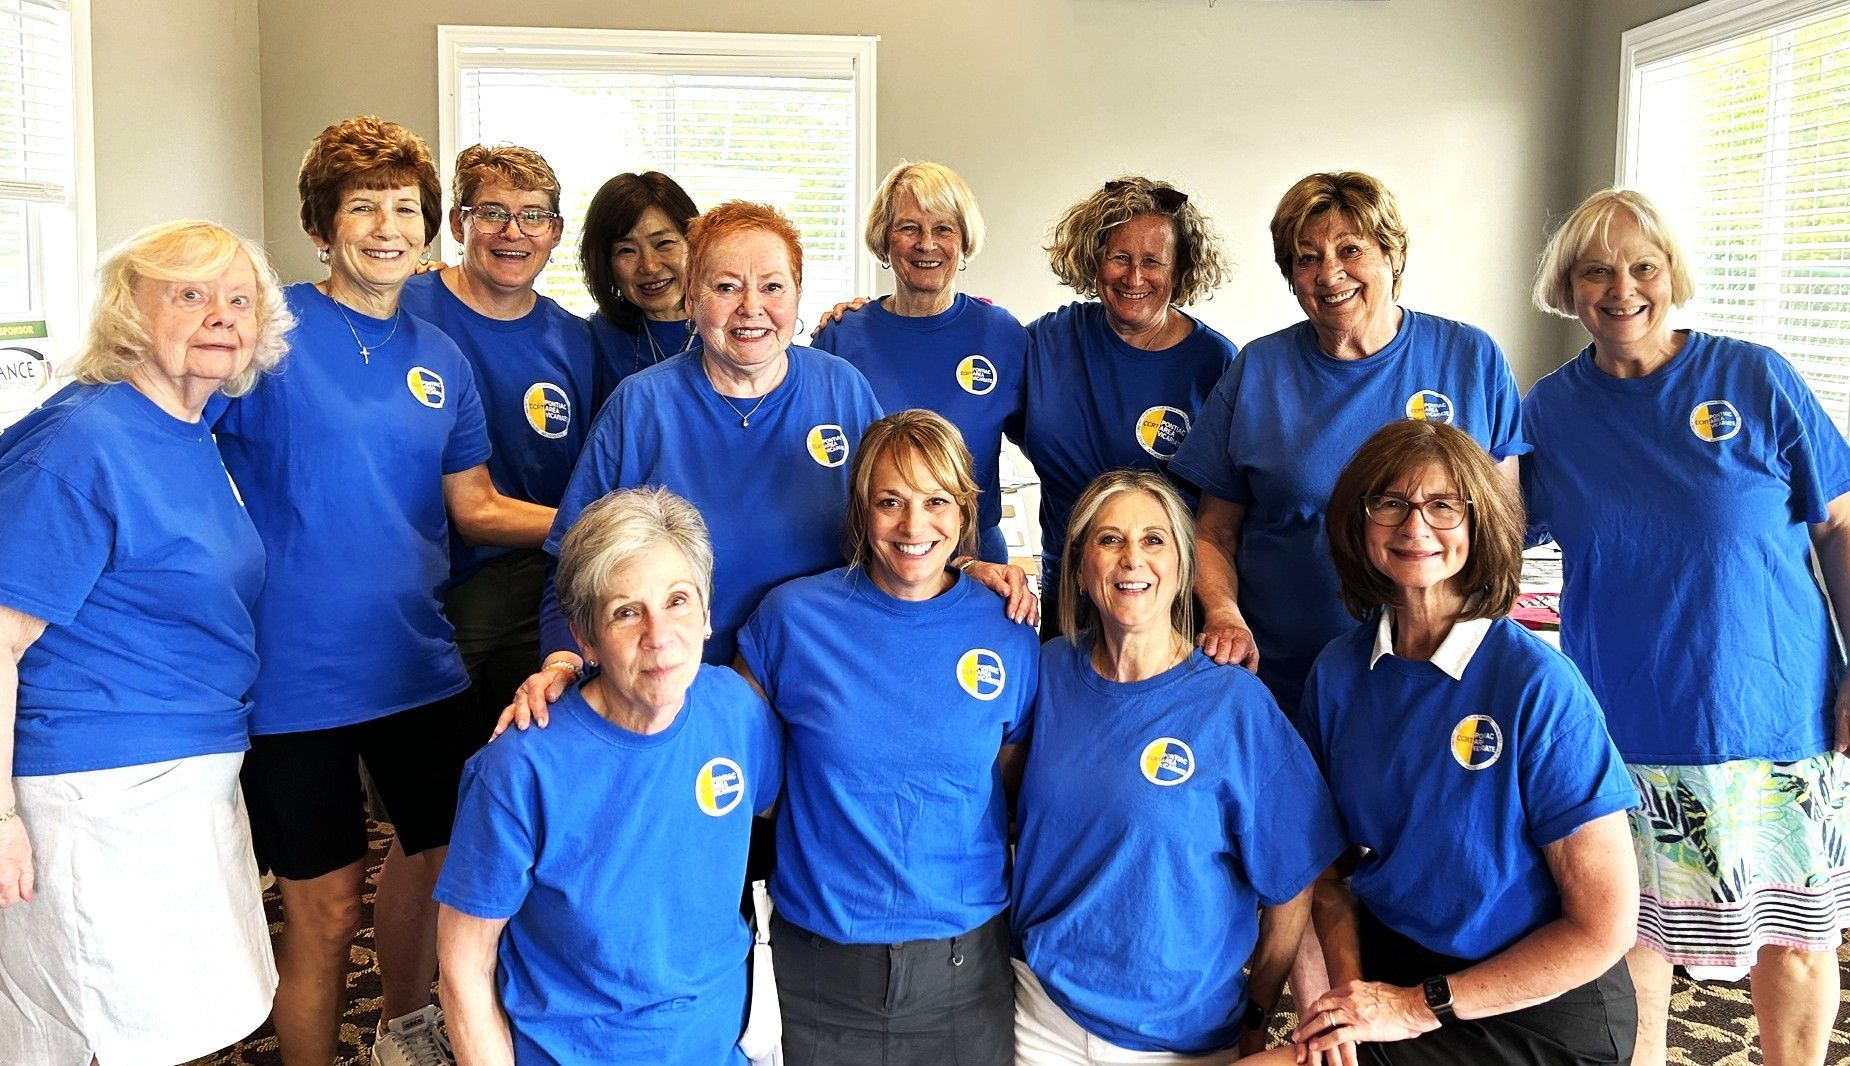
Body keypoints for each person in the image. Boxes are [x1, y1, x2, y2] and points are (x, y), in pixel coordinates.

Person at [214, 115, 556, 1066]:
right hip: (295, 683)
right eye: (363, 207)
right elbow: (174, 432)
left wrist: (597, 527)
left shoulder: (442, 361)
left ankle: (406, 1035)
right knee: (323, 915)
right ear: (323, 227)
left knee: (459, 881)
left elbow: (477, 507)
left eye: (405, 207)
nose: (387, 227)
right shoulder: (265, 334)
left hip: (418, 667)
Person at [1524, 188, 1850, 1066]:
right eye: (1596, 270)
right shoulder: (1549, 413)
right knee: (1631, 939)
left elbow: (1842, 526)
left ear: (1672, 275)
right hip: (1625, 723)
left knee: (1797, 937)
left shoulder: (1756, 377)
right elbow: (1490, 532)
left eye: (1643, 266)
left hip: (1777, 715)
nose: (1621, 288)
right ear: (1569, 288)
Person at [513, 200, 1032, 721]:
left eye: (772, 286)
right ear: (691, 298)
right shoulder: (640, 406)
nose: (751, 307)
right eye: (727, 287)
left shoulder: (841, 388)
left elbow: (903, 519)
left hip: (827, 688)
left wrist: (964, 567)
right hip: (675, 698)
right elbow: (571, 567)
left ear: (798, 294)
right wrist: (561, 662)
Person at [0, 220, 290, 1066]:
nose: (221, 317)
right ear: (131, 312)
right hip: (95, 792)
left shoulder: (188, 426)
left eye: (239, 300)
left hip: (182, 779)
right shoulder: (81, 441)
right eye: (189, 295)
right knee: (98, 1041)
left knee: (175, 1031)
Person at [1281, 419, 1639, 1066]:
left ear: (1480, 524)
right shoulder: (1336, 672)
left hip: (1531, 1000)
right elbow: (1324, 874)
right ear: (1359, 524)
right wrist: (1338, 1011)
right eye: (1389, 502)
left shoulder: (1537, 685)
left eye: (1444, 505)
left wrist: (1412, 1008)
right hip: (1393, 966)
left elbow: (1605, 925)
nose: (1414, 526)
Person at [735, 409, 1040, 1065]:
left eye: (936, 502)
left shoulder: (1007, 629)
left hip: (966, 968)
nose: (913, 526)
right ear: (859, 511)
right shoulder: (791, 621)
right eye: (890, 502)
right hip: (820, 968)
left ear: (964, 512)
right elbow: (740, 778)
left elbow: (1008, 785)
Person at [436, 487, 781, 1065]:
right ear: (584, 636)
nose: (658, 636)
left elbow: (792, 813)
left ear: (706, 614)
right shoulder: (519, 768)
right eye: (626, 612)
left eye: (677, 601)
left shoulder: (736, 711)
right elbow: (464, 968)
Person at [1011, 470, 1346, 1064]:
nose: (1131, 558)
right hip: (1040, 1014)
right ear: (1082, 570)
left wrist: (1258, 1014)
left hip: (1182, 1041)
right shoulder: (1047, 673)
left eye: (1154, 539)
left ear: (1184, 568)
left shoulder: (1232, 703)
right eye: (1109, 540)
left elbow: (1293, 886)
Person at [1171, 171, 1526, 717]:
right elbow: (1214, 531)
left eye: (1351, 249)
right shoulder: (1258, 370)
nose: (1328, 273)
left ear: (1393, 256)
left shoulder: (1471, 359)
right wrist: (1222, 612)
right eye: (1306, 257)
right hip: (1284, 674)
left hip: (1438, 680)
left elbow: (1503, 528)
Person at [400, 144, 599, 724]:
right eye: (492, 211)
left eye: (533, 214)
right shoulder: (406, 308)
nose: (513, 231)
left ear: (556, 230)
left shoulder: (573, 340)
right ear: (460, 223)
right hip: (432, 585)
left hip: (544, 585)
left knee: (523, 753)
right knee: (429, 767)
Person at [1021, 176, 1238, 632]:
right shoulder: (1048, 341)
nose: (1134, 277)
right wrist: (876, 316)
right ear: (1094, 260)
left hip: (1164, 603)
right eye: (1119, 257)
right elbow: (962, 369)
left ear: (1179, 271)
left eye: (1152, 261)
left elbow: (1230, 517)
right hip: (1068, 594)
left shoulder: (1215, 363)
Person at [812, 161, 1028, 564]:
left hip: (974, 564)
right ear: (884, 239)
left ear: (963, 240)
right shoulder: (840, 337)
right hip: (869, 564)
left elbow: (1049, 443)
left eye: (943, 228)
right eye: (909, 228)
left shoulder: (1003, 336)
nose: (926, 244)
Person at [580, 170, 700, 401]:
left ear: (694, 242)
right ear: (606, 264)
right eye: (626, 250)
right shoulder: (591, 340)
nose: (650, 267)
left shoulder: (729, 328)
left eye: (664, 243)